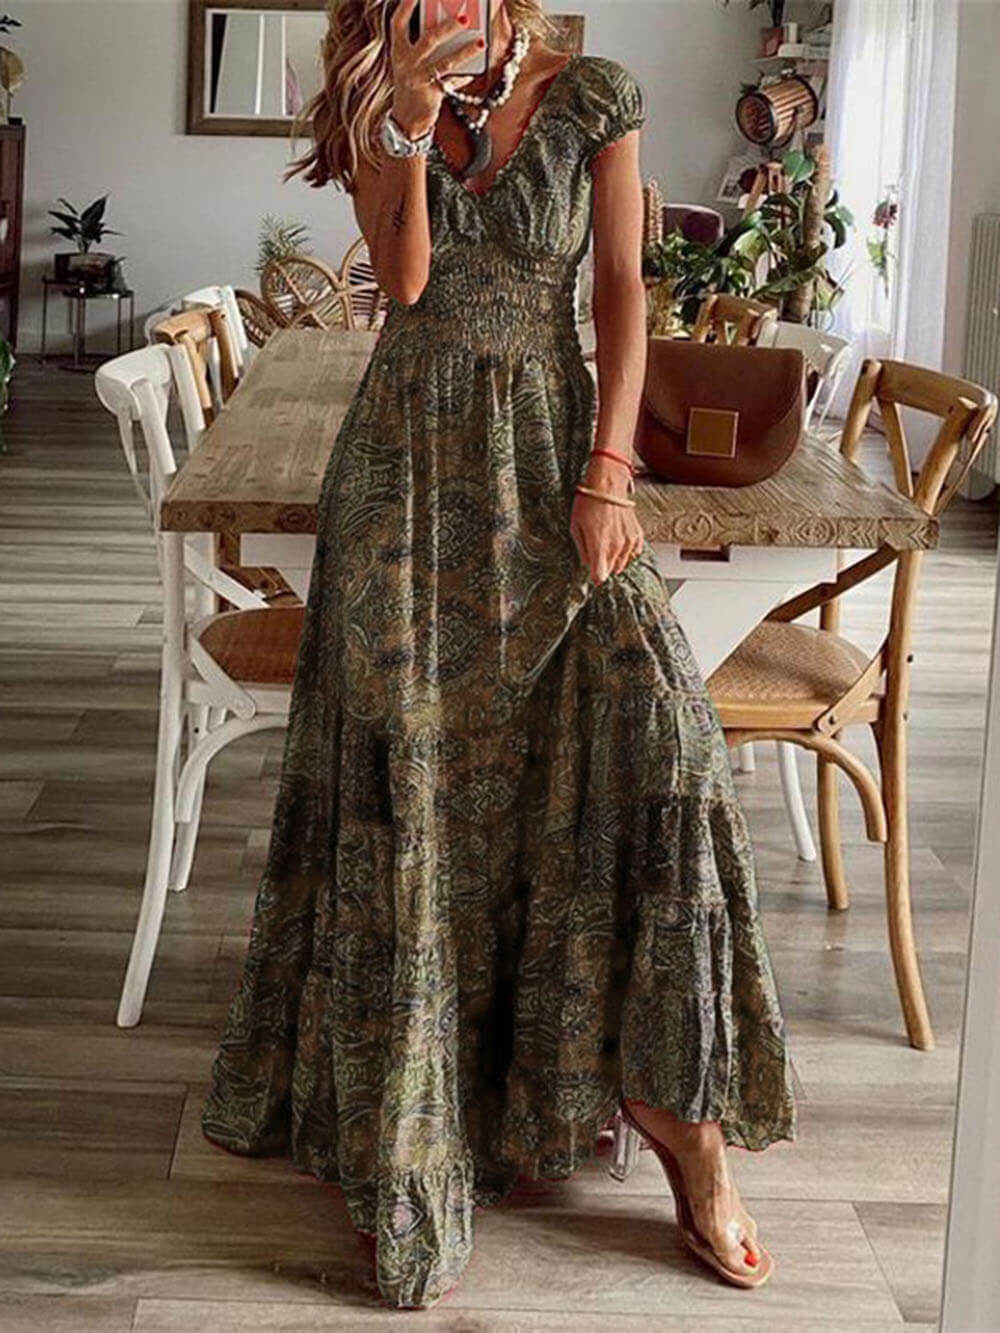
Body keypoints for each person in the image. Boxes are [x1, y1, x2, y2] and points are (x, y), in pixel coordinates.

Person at [200, 0, 797, 1309]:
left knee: (670, 751)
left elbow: (622, 289)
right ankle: (411, 1132)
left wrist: (610, 470)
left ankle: (683, 1123)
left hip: (552, 462)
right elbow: (407, 286)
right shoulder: (375, 90)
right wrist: (410, 121)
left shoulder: (595, 92)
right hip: (406, 477)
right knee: (413, 789)